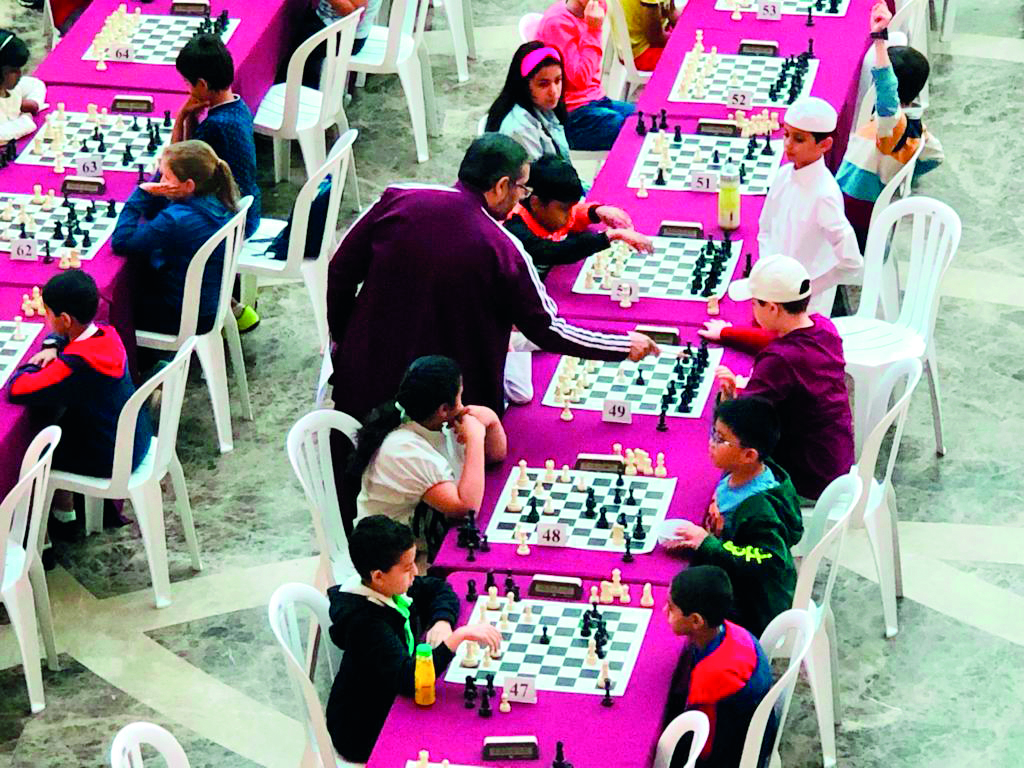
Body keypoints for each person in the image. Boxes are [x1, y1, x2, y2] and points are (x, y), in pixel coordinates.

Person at [326, 133, 659, 425]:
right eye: (521, 187)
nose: (522, 197)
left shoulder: (398, 198)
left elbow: (339, 272)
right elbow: (547, 329)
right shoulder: (503, 248)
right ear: (502, 186)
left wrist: (345, 340)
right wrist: (621, 344)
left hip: (361, 387)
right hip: (443, 417)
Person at [326, 516, 501, 763]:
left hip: (389, 700)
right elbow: (410, 679)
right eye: (407, 567)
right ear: (378, 576)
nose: (416, 572)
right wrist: (458, 637)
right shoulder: (366, 623)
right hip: (363, 729)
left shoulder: (387, 589)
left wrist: (442, 621)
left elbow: (438, 588)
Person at [9, 271, 152, 528]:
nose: (45, 317)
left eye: (48, 313)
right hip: (136, 437)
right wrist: (52, 343)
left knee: (28, 453)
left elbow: (18, 390)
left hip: (109, 455)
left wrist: (29, 366)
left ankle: (52, 533)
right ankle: (65, 513)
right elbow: (64, 338)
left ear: (64, 319)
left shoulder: (76, 365)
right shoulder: (108, 333)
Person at [710, 254, 855, 501]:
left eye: (755, 304)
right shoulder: (823, 327)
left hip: (808, 480)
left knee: (731, 466)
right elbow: (778, 341)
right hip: (836, 460)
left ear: (773, 308)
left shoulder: (779, 362)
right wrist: (728, 334)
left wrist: (728, 398)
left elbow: (741, 422)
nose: (752, 310)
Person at [345, 356, 507, 559]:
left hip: (420, 544)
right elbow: (466, 509)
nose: (463, 406)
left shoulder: (437, 422)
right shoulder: (403, 449)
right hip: (389, 559)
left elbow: (496, 456)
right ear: (443, 409)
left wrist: (490, 420)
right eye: (460, 397)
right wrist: (475, 438)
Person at [665, 398, 802, 637]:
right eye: (713, 433)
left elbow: (770, 561)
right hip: (739, 583)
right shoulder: (745, 471)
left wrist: (709, 544)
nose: (711, 444)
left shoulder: (760, 511)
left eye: (720, 439)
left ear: (749, 455)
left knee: (680, 610)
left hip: (755, 608)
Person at [173, 33, 261, 333]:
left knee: (164, 234)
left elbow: (175, 163)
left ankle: (213, 308)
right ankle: (234, 305)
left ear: (202, 84)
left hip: (228, 221)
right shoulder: (238, 107)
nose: (186, 90)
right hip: (248, 207)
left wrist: (182, 116)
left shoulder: (215, 126)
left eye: (187, 83)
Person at [838, 2, 944, 249]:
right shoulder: (915, 127)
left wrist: (879, 40)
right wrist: (901, 174)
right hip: (873, 211)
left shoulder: (891, 125)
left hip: (852, 213)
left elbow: (886, 87)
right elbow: (936, 156)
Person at [112, 141, 240, 340]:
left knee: (116, 310)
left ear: (189, 185)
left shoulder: (176, 219)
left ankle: (145, 363)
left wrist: (142, 193)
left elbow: (122, 242)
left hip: (185, 316)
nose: (161, 180)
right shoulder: (219, 194)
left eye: (166, 176)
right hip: (213, 300)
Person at [662, 565, 775, 768]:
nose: (664, 611)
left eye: (671, 608)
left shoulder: (710, 676)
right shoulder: (736, 632)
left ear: (696, 621)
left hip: (733, 755)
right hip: (755, 731)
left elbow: (700, 748)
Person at [758, 97, 862, 316]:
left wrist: (808, 289)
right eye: (786, 134)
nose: (788, 145)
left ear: (824, 145)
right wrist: (768, 273)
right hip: (772, 294)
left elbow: (852, 261)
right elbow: (765, 229)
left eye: (799, 139)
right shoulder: (783, 175)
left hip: (807, 309)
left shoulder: (824, 195)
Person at [504, 153, 653, 280]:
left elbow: (574, 215)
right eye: (564, 209)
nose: (569, 216)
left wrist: (597, 212)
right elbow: (551, 252)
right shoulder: (513, 227)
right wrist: (609, 236)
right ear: (535, 202)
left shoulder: (545, 212)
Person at [536, 0, 636, 150]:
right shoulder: (557, 24)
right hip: (572, 117)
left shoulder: (594, 9)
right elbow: (580, 78)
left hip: (596, 101)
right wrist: (594, 31)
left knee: (647, 117)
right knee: (634, 132)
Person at [486, 42, 572, 162]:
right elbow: (537, 178)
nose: (553, 91)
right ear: (524, 86)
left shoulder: (544, 109)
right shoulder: (520, 129)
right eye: (543, 84)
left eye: (558, 81)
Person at [295, 0, 374, 87]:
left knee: (299, 53)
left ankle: (305, 92)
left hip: (345, 35)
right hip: (336, 26)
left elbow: (348, 10)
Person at [0, 30, 46, 144]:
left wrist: (29, 103)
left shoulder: (9, 86)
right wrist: (26, 118)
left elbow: (36, 85)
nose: (20, 74)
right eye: (13, 71)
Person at [621, 0, 678, 71]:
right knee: (687, 58)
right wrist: (681, 40)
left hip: (658, 31)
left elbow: (671, 11)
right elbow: (655, 38)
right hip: (641, 51)